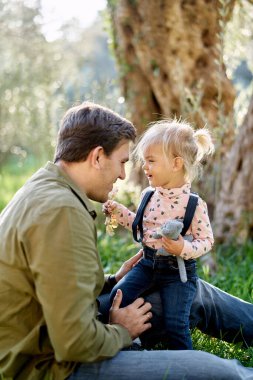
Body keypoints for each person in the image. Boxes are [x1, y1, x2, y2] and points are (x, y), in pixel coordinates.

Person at [0, 101, 252, 380]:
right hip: (52, 366)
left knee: (192, 293)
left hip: (64, 329)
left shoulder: (46, 186)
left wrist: (110, 281)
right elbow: (74, 343)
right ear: (97, 157)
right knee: (220, 373)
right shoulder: (62, 213)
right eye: (121, 162)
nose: (123, 174)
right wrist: (120, 331)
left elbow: (52, 284)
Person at [103, 120, 214, 350]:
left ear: (176, 164)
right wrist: (117, 211)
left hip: (177, 272)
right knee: (119, 295)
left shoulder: (193, 204)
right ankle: (133, 342)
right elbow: (140, 224)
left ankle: (186, 366)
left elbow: (207, 241)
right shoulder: (149, 195)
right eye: (145, 161)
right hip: (147, 263)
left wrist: (183, 247)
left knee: (176, 323)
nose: (145, 167)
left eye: (151, 161)